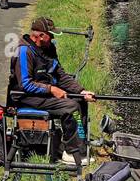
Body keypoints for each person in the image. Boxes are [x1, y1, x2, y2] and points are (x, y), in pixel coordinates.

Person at [9, 17, 96, 165]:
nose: (54, 37)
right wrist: (52, 89)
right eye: (51, 34)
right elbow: (25, 84)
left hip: (43, 94)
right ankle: (70, 152)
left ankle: (79, 146)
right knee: (70, 107)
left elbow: (60, 75)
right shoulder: (23, 51)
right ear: (41, 35)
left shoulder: (49, 48)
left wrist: (81, 91)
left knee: (80, 101)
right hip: (26, 96)